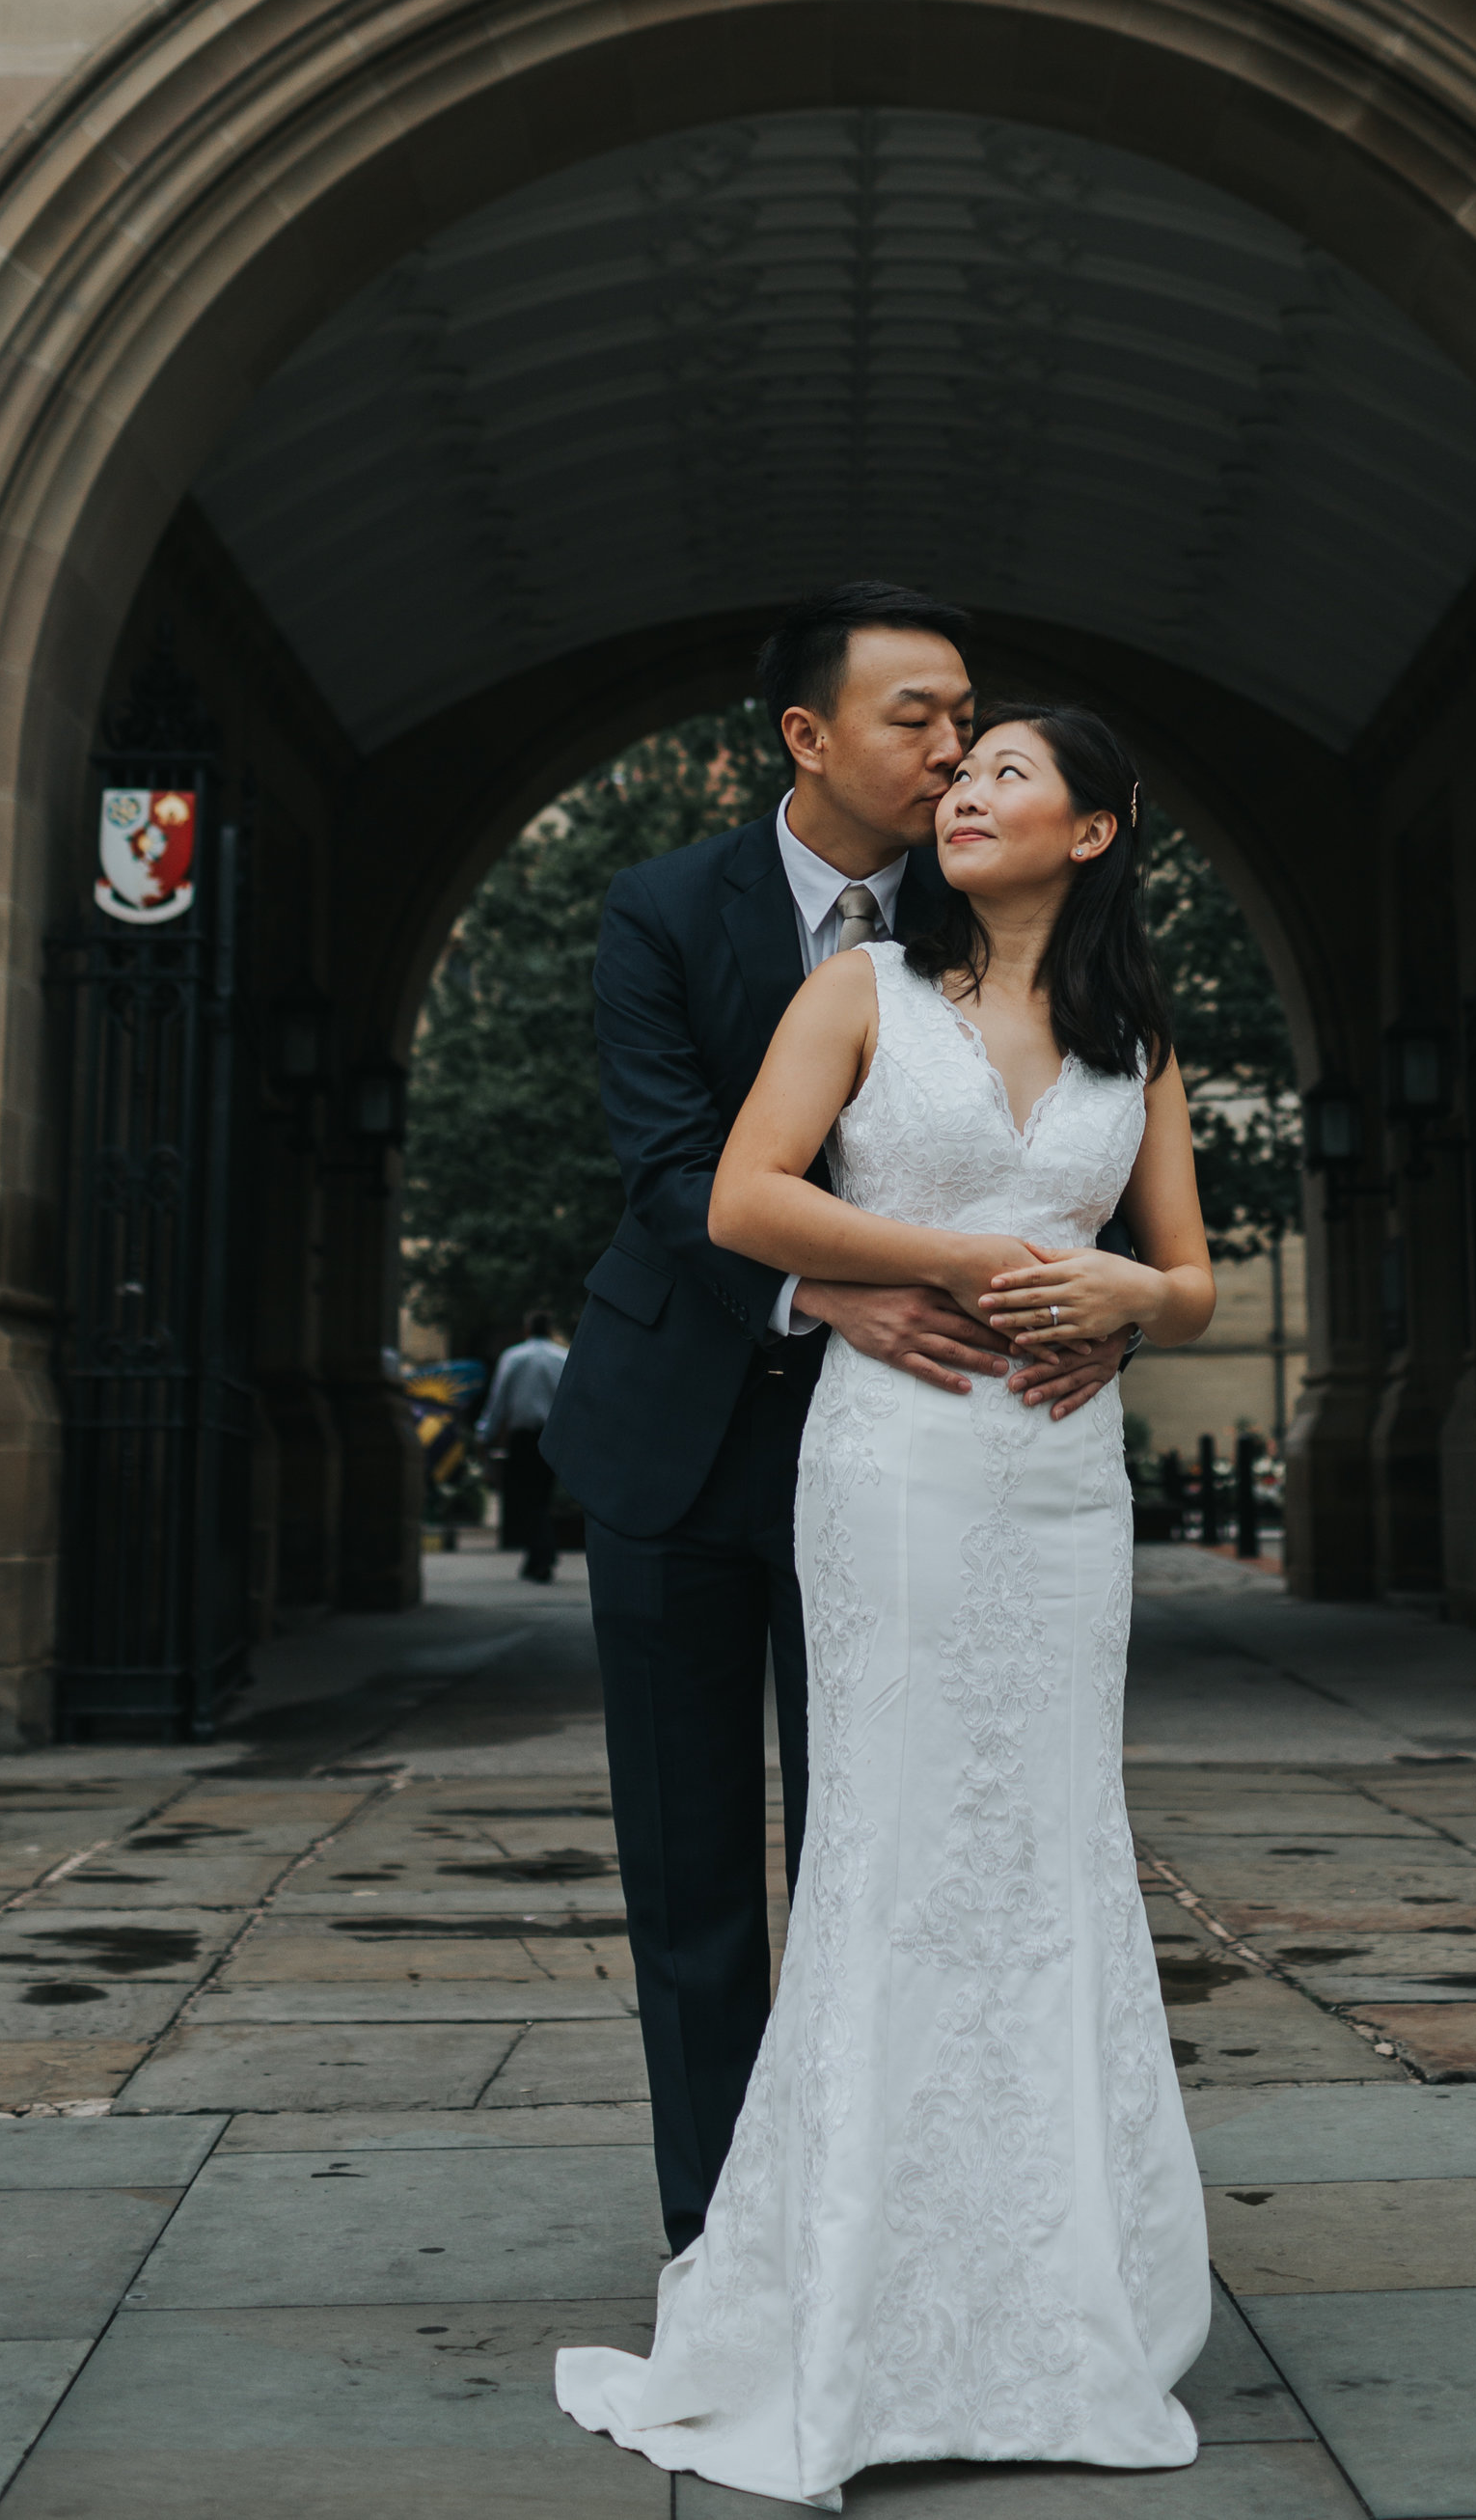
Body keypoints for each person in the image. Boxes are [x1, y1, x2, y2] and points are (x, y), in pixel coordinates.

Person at [558, 703, 1217, 2510]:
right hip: (898, 1469)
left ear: (1095, 830)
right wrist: (969, 1263)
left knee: (1054, 1850)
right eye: (960, 767)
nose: (965, 787)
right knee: (891, 1847)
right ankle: (854, 2289)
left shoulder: (1137, 1036)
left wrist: (1123, 1302)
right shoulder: (855, 990)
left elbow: (1194, 1281)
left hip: (1064, 1491)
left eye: (1007, 771)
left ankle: (1049, 2287)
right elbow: (751, 1197)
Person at [540, 587, 1124, 2260]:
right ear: (808, 738)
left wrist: (1092, 1314)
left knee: (903, 1847)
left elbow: (1064, 1144)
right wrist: (822, 1293)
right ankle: (728, 2240)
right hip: (682, 1441)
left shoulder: (998, 896)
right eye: (918, 719)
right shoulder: (662, 909)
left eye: (970, 723)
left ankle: (906, 2213)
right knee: (698, 1873)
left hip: (924, 1460)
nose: (956, 751)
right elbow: (670, 1174)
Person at [478, 1315, 566, 1579]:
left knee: (526, 1498)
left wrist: (485, 1434)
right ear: (550, 1330)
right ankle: (539, 1554)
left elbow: (499, 1400)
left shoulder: (513, 1357)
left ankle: (541, 1553)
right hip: (552, 1437)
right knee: (542, 1495)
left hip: (523, 1438)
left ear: (527, 1329)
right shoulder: (562, 1357)